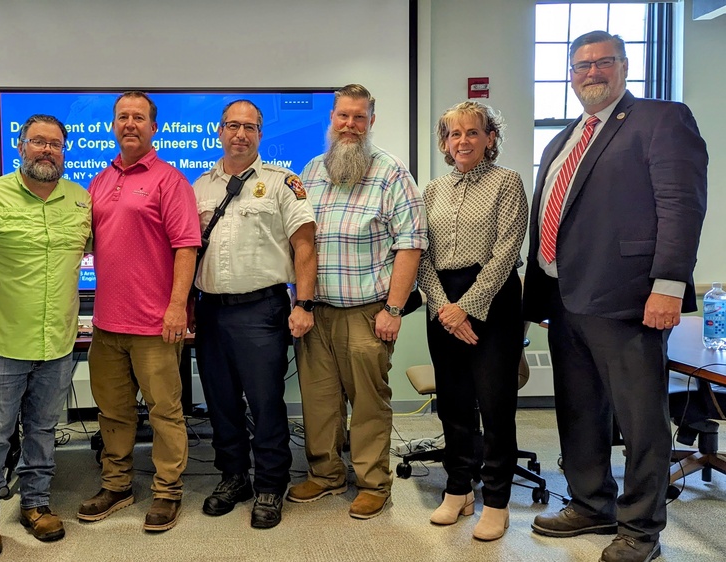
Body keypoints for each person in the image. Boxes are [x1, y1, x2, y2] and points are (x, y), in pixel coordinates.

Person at [523, 31, 707, 562]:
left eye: (603, 62)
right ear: (570, 75)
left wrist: (668, 286)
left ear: (625, 66)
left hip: (630, 297)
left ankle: (641, 528)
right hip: (565, 297)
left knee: (640, 416)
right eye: (581, 66)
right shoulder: (563, 139)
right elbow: (550, 220)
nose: (591, 73)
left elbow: (681, 204)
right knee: (579, 410)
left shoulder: (661, 119)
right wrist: (539, 297)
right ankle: (590, 503)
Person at [287, 84, 427, 520]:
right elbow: (298, 241)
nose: (350, 125)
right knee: (319, 400)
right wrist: (300, 302)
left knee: (368, 402)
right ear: (331, 118)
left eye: (359, 118)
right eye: (343, 116)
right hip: (316, 311)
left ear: (370, 122)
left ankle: (372, 483)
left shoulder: (391, 173)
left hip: (368, 312)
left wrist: (394, 309)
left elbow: (411, 244)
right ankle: (326, 475)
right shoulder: (310, 172)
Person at [0, 114, 91, 557]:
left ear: (65, 150)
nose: (46, 150)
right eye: (37, 141)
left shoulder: (81, 201)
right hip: (2, 341)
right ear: (20, 146)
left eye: (55, 144)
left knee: (42, 430)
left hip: (58, 341)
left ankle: (36, 506)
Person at [76, 91, 201, 532]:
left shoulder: (171, 181)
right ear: (113, 125)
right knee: (113, 412)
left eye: (139, 117)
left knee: (165, 411)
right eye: (122, 117)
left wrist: (176, 309)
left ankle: (167, 491)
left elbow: (186, 247)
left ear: (154, 127)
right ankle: (116, 484)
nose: (130, 123)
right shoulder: (99, 180)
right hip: (106, 324)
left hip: (154, 324)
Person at [192, 100, 316, 529]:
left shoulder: (284, 182)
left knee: (265, 403)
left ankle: (269, 483)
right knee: (221, 403)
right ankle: (233, 477)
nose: (240, 134)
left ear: (260, 134)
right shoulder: (199, 187)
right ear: (220, 131)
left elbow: (305, 247)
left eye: (250, 127)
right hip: (210, 312)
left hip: (262, 310)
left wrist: (303, 303)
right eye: (232, 126)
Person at [417, 101, 527, 541]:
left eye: (472, 132)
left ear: (490, 138)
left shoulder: (507, 183)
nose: (462, 140)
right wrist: (445, 307)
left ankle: (496, 500)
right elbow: (420, 253)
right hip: (442, 301)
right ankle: (458, 488)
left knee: (496, 405)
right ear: (445, 142)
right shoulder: (431, 191)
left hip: (494, 300)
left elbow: (507, 252)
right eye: (453, 133)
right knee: (454, 404)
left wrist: (469, 306)